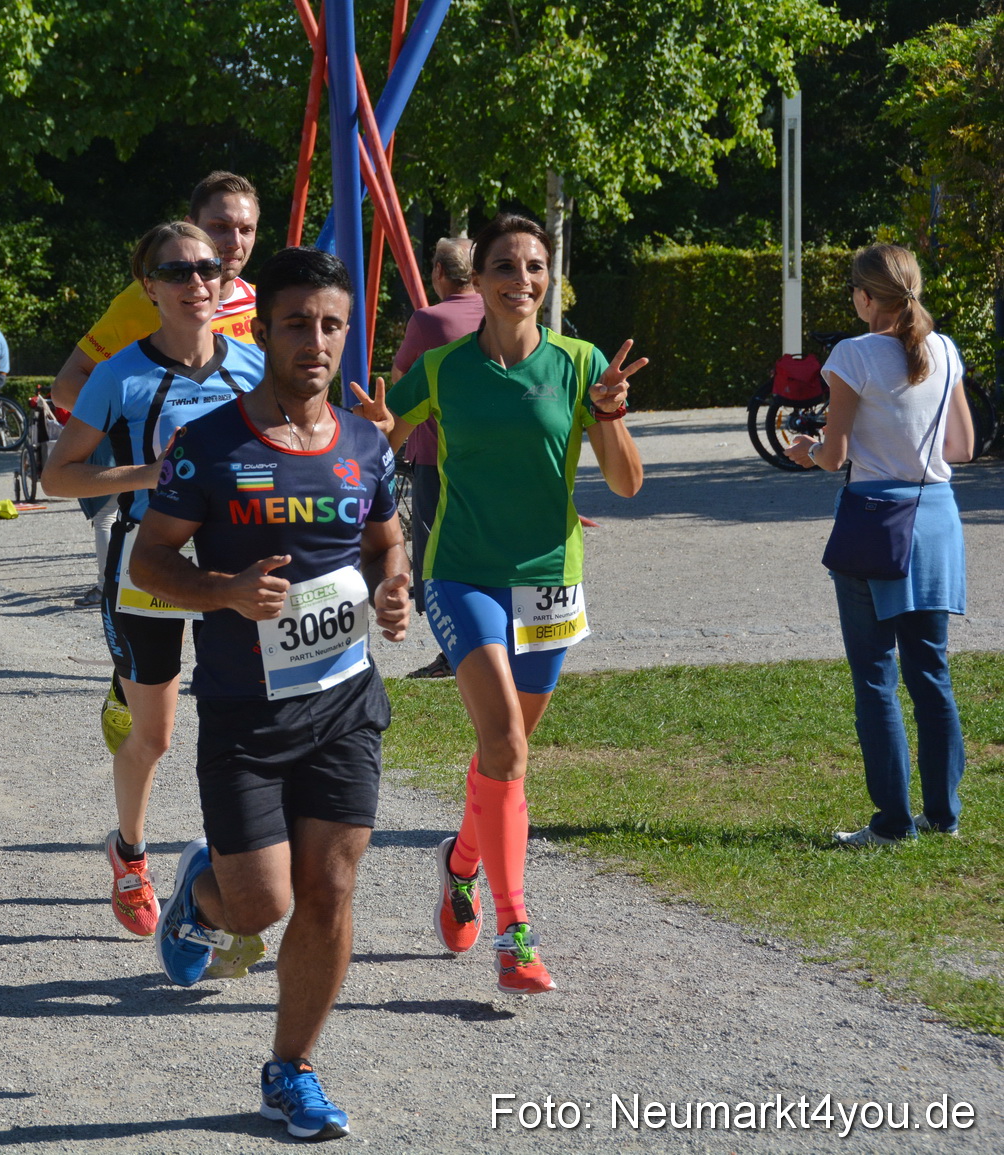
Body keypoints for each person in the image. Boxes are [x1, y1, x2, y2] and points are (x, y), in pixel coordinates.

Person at [128, 246, 409, 1142]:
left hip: (343, 703)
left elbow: (386, 543)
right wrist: (223, 591)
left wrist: (395, 586)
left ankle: (291, 1070)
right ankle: (202, 893)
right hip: (246, 714)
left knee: (330, 887)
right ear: (265, 328)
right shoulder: (209, 445)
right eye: (298, 323)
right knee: (262, 906)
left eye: (332, 325)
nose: (316, 341)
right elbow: (150, 559)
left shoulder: (366, 443)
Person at [383, 213, 645, 995]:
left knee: (507, 755)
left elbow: (627, 484)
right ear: (480, 276)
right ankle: (515, 928)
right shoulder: (443, 367)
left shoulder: (581, 362)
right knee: (503, 742)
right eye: (507, 264)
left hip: (548, 578)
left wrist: (608, 413)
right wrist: (367, 427)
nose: (522, 279)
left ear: (549, 279)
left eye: (536, 266)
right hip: (462, 571)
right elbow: (378, 433)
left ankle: (460, 862)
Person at [39, 221, 269, 950]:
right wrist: (152, 473)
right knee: (156, 733)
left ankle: (231, 861)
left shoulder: (256, 367)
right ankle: (131, 853)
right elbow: (57, 475)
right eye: (177, 272)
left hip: (232, 568)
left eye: (207, 268)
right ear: (150, 287)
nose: (197, 282)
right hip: (147, 569)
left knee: (249, 723)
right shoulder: (120, 375)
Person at [785, 244, 974, 846]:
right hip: (937, 518)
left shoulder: (853, 354)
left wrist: (806, 451)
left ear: (866, 298)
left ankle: (893, 823)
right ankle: (943, 815)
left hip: (876, 520)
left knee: (874, 674)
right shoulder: (944, 349)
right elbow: (962, 447)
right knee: (931, 674)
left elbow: (834, 455)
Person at [51, 171, 262, 409]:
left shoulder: (264, 304)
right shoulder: (147, 297)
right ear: (190, 226)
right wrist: (139, 429)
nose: (234, 242)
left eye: (246, 230)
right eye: (220, 226)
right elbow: (66, 387)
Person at [386, 238, 484, 679]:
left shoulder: (428, 320)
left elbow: (401, 380)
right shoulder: (496, 312)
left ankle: (453, 652)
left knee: (436, 555)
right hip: (487, 454)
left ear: (440, 274)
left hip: (433, 455)